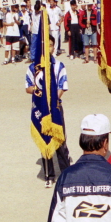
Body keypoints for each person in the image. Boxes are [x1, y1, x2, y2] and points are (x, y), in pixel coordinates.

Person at [26, 37, 71, 187]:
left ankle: (65, 174)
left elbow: (63, 86)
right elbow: (28, 87)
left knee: (60, 141)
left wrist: (52, 101)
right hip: (41, 109)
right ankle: (49, 175)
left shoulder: (59, 66)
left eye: (51, 45)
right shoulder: (33, 67)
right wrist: (39, 93)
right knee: (45, 140)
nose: (49, 48)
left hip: (56, 108)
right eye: (46, 46)